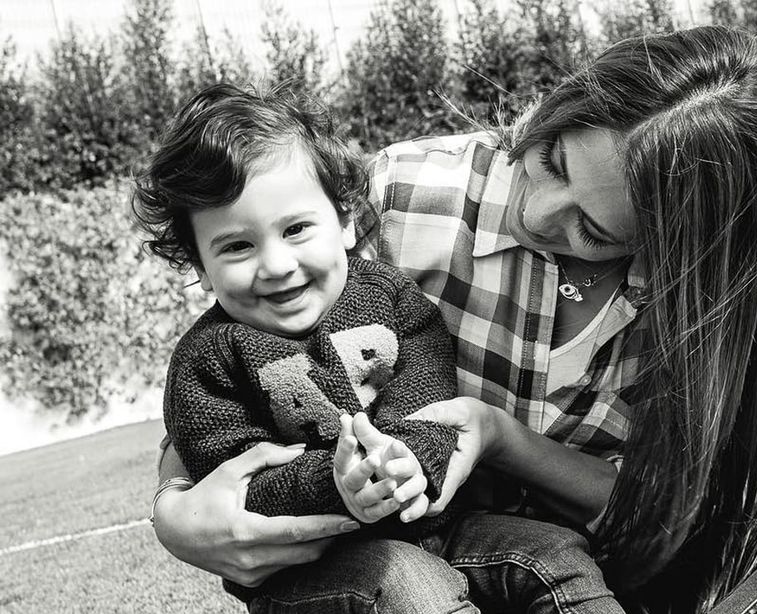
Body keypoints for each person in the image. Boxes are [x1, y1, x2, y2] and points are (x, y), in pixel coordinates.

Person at [151, 27, 757, 613]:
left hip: (588, 575)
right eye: (553, 159)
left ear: (677, 252)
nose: (539, 208)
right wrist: (176, 514)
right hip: (406, 573)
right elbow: (242, 378)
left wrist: (500, 438)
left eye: (597, 231)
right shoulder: (401, 197)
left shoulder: (707, 308)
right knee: (407, 585)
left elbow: (674, 516)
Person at [135, 84, 624, 613]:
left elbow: (428, 388)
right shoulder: (209, 358)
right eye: (236, 246)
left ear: (345, 221)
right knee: (411, 585)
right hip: (315, 560)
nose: (275, 265)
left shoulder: (389, 295)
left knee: (552, 554)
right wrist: (338, 482)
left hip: (435, 522)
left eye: (296, 229)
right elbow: (226, 471)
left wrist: (410, 458)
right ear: (200, 267)